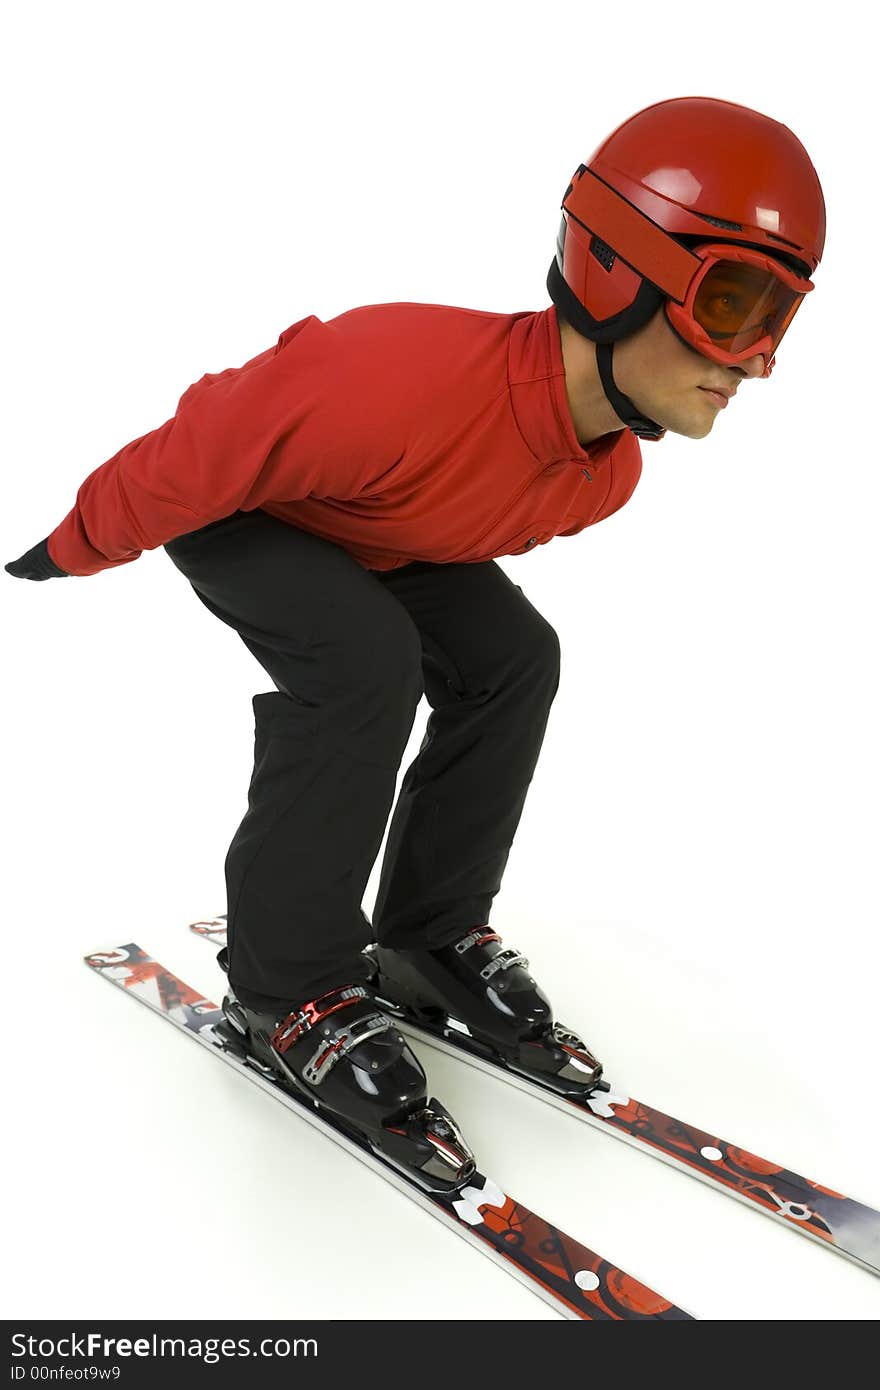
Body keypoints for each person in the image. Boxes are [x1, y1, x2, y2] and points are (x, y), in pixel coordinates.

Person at [5, 96, 825, 1183]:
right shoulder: (399, 375)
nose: (758, 358)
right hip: (239, 508)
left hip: (369, 526)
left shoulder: (604, 474)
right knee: (361, 665)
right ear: (616, 268)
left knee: (514, 659)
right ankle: (286, 981)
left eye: (781, 317)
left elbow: (441, 515)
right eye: (733, 302)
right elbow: (205, 448)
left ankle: (428, 935)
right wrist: (67, 545)